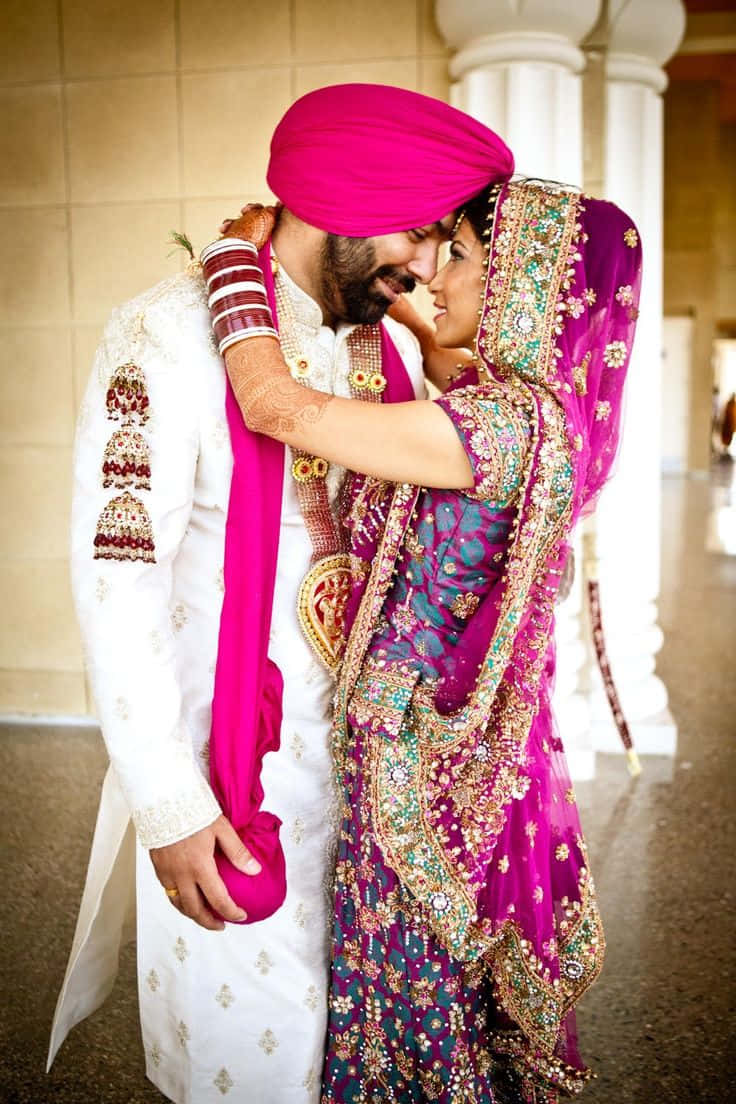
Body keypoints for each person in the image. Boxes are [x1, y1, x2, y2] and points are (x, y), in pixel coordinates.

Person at [47, 85, 515, 1103]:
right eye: (418, 232)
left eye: (444, 243)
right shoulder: (164, 333)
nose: (425, 268)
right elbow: (115, 571)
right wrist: (167, 800)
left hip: (373, 780)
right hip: (233, 770)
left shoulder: (380, 348)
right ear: (345, 200)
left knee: (353, 1053)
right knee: (245, 1054)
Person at [201, 176, 642, 1102]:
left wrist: (232, 265)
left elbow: (276, 409)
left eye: (468, 258)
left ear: (530, 283)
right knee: (429, 990)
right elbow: (447, 378)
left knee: (410, 989)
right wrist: (414, 323)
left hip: (410, 755)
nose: (441, 275)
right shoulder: (533, 413)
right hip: (451, 748)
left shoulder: (489, 425)